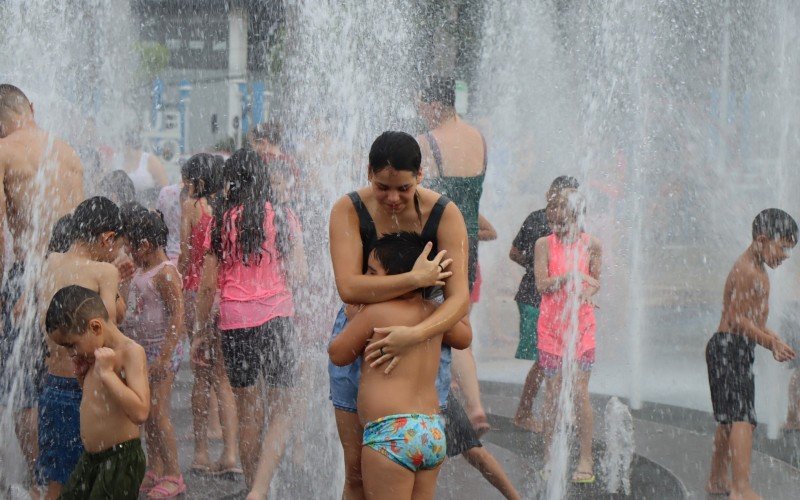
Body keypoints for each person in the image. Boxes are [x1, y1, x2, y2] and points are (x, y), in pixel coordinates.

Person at [328, 130, 468, 499]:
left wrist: (415, 334)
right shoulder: (349, 209)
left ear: (420, 175)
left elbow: (459, 301)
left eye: (403, 188)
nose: (393, 198)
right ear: (369, 173)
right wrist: (415, 279)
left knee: (398, 463)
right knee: (355, 470)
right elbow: (348, 287)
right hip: (363, 334)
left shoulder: (444, 214)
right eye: (382, 187)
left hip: (423, 331)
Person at [192, 148, 306, 500]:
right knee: (284, 407)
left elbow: (208, 285)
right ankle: (260, 488)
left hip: (235, 322)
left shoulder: (221, 221)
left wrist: (199, 332)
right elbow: (299, 275)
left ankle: (253, 486)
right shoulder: (284, 217)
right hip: (277, 318)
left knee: (247, 410)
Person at [0, 83, 84, 491]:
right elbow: (85, 227)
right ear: (30, 107)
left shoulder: (3, 153)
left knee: (25, 389)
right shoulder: (67, 151)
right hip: (71, 274)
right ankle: (67, 478)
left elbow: (0, 239)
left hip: (28, 274)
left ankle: (36, 485)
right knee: (69, 374)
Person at [36, 198, 126, 499]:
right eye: (117, 245)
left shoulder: (49, 261)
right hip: (86, 388)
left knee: (58, 482)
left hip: (52, 385)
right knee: (95, 480)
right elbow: (108, 332)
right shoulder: (104, 272)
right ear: (106, 238)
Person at [705, 209, 797, 500]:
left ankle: (718, 480)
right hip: (730, 347)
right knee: (744, 418)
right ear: (762, 239)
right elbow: (738, 320)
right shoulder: (749, 271)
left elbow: (752, 321)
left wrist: (773, 337)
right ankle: (741, 488)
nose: (785, 256)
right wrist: (770, 345)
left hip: (727, 347)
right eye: (783, 247)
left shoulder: (755, 269)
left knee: (728, 419)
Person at [417, 76, 489, 434]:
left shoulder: (427, 143)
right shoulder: (479, 139)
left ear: (433, 105)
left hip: (439, 243)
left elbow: (419, 197)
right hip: (470, 241)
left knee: (435, 320)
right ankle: (474, 405)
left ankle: (436, 400)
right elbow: (471, 200)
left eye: (421, 107)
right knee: (459, 320)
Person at [44, 285, 149, 499]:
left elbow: (140, 412)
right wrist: (84, 379)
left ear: (95, 327)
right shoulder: (96, 355)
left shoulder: (130, 352)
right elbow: (101, 403)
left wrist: (109, 374)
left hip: (120, 459)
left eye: (72, 345)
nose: (71, 353)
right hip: (91, 459)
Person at [179, 153, 239, 476]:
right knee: (224, 376)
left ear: (197, 181)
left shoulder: (192, 208)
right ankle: (230, 454)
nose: (183, 185)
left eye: (187, 179)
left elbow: (187, 258)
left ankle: (201, 454)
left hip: (196, 291)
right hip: (225, 293)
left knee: (201, 374)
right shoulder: (229, 209)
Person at [535, 189, 601, 484]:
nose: (556, 213)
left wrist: (588, 289)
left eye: (562, 208)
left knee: (580, 393)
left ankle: (586, 457)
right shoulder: (543, 244)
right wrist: (567, 278)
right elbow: (541, 284)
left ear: (576, 213)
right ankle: (550, 456)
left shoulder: (592, 244)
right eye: (553, 207)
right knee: (552, 394)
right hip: (551, 327)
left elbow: (596, 280)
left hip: (581, 326)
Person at [120, 206, 186, 498]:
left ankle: (174, 473)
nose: (128, 253)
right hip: (144, 351)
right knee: (147, 414)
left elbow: (178, 317)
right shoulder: (143, 269)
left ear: (144, 245)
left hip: (162, 351)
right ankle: (156, 467)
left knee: (159, 413)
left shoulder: (166, 273)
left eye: (130, 248)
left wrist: (164, 356)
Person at [510, 176, 580, 432]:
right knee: (544, 360)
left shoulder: (570, 224)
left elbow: (515, 254)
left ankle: (559, 412)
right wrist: (539, 270)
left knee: (554, 359)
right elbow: (514, 252)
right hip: (534, 298)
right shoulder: (539, 220)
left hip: (553, 301)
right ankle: (524, 413)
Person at [104, 131, 168, 208]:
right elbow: (107, 184)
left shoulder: (150, 160)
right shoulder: (116, 161)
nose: (123, 148)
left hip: (147, 207)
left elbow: (164, 187)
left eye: (125, 145)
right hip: (121, 207)